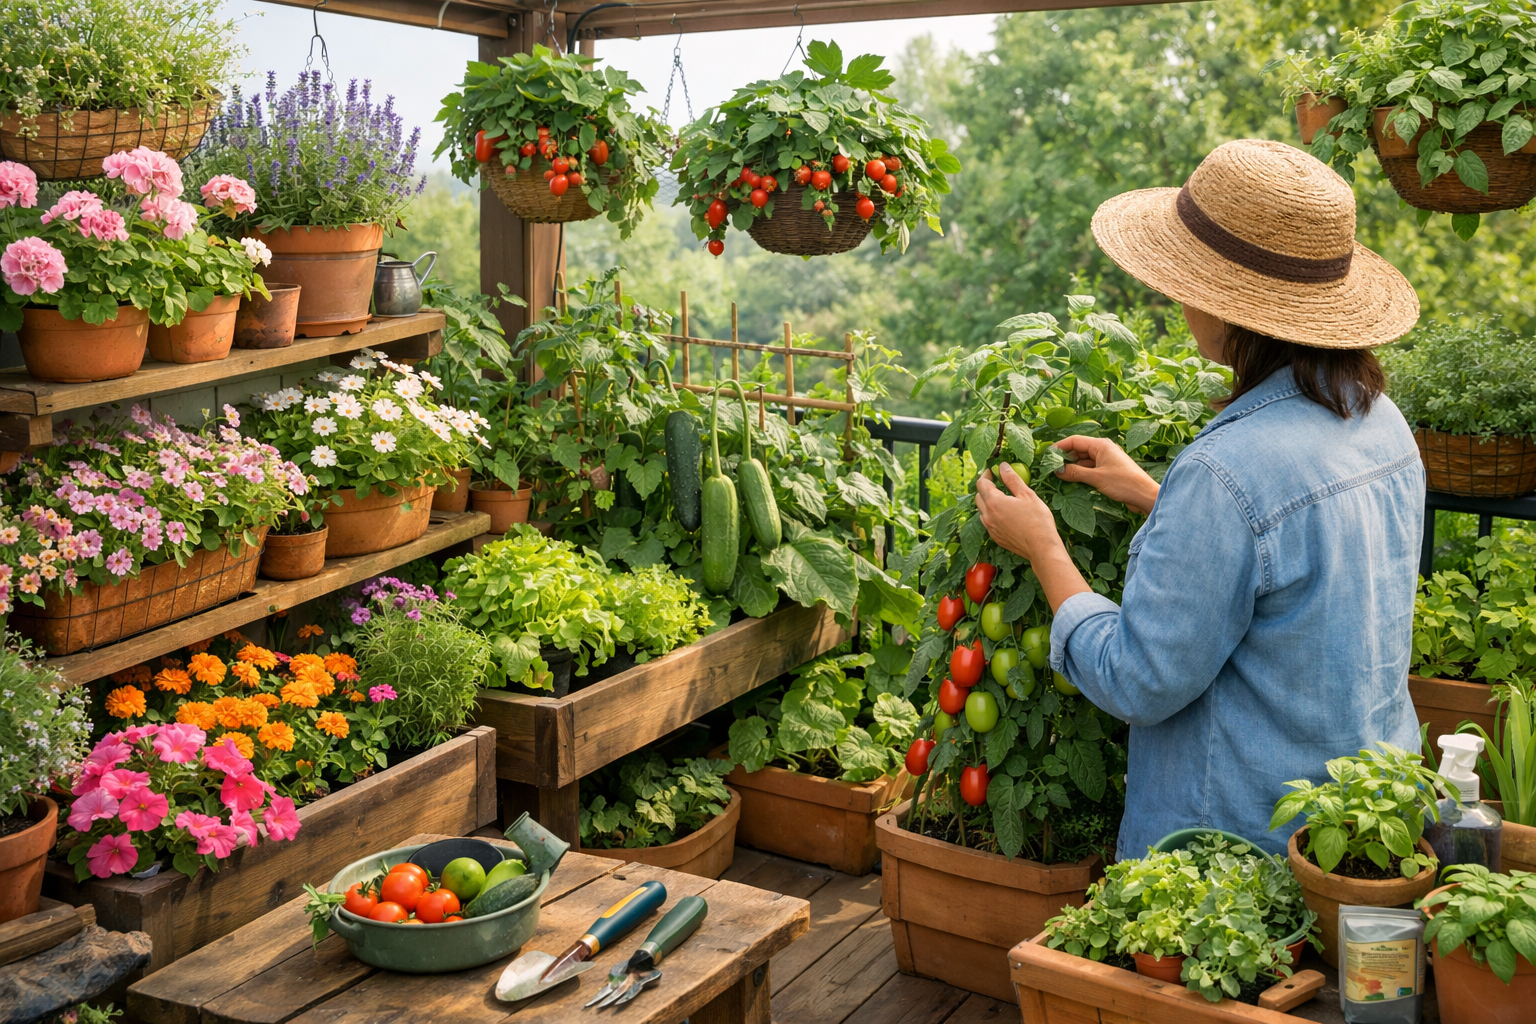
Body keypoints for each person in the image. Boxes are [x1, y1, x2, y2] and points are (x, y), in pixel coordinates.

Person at [974, 139, 1425, 858]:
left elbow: (1138, 678)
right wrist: (1158, 498)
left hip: (1245, 843)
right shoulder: (1381, 422)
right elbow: (1295, 569)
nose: (1179, 297)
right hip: (1363, 819)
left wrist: (1043, 547)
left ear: (1232, 308)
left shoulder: (1228, 470)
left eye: (1189, 281)